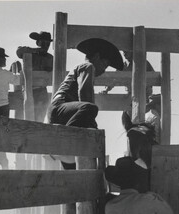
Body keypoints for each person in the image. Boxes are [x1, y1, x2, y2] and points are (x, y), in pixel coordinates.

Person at [48, 38, 123, 169]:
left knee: (71, 167)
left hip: (65, 114)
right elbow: (85, 94)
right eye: (105, 65)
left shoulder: (85, 68)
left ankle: (68, 161)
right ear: (97, 57)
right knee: (90, 108)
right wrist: (92, 124)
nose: (104, 70)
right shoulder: (88, 66)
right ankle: (61, 143)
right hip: (60, 107)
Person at [11, 31, 54, 123]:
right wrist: (37, 50)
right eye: (43, 42)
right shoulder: (30, 53)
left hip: (41, 91)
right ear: (38, 42)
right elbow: (19, 51)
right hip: (28, 91)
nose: (46, 45)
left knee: (39, 119)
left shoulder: (50, 58)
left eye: (48, 43)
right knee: (27, 118)